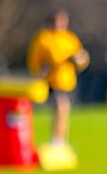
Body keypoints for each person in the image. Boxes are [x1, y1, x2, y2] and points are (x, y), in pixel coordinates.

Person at [27, 11, 90, 146]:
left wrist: (80, 60)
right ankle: (56, 140)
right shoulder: (44, 38)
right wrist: (39, 71)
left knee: (64, 111)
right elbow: (35, 60)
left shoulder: (70, 38)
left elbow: (82, 57)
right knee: (61, 107)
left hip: (67, 82)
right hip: (52, 81)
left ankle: (61, 139)